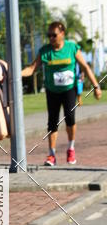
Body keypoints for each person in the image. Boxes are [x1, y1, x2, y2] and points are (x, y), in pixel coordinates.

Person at [22, 21, 101, 166]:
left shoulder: (72, 48)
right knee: (52, 122)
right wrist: (17, 73)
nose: (51, 38)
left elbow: (85, 67)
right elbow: (32, 68)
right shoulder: (45, 51)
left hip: (69, 89)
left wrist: (96, 86)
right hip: (52, 91)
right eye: (49, 35)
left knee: (70, 118)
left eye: (54, 35)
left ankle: (71, 148)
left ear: (62, 34)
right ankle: (51, 155)